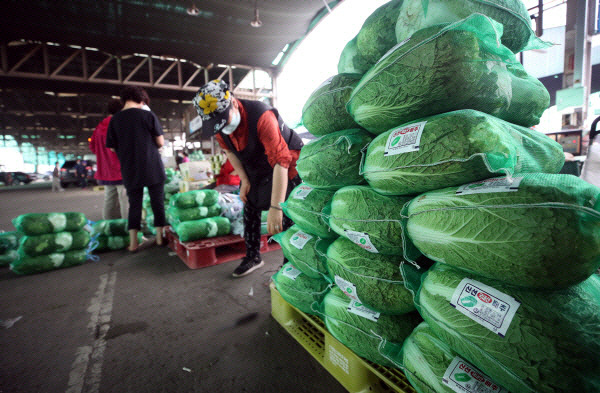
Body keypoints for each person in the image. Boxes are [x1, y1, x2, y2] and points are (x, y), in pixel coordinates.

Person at [192, 79, 304, 277]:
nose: (222, 127)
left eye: (224, 120)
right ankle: (253, 256)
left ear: (234, 103)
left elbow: (281, 162)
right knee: (250, 207)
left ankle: (290, 265)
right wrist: (245, 180)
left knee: (287, 216)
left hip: (288, 165)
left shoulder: (262, 116)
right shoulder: (220, 126)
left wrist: (277, 206)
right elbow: (230, 152)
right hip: (259, 165)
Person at [106, 86, 167, 252]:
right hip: (152, 165)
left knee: (135, 205)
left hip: (130, 167)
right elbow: (160, 142)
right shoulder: (147, 115)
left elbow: (111, 147)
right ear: (141, 99)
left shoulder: (115, 120)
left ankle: (133, 243)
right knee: (157, 202)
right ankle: (160, 239)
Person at [89, 98, 128, 219]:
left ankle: (109, 227)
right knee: (125, 201)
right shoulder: (120, 124)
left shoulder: (99, 127)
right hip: (122, 170)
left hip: (105, 171)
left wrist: (103, 155)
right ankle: (129, 230)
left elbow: (93, 147)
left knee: (109, 201)